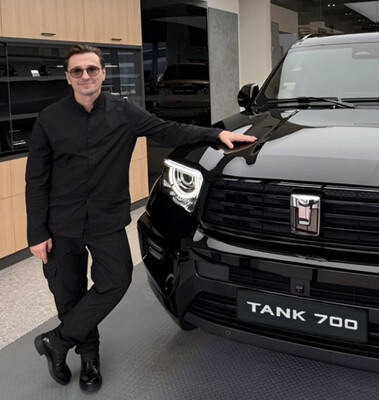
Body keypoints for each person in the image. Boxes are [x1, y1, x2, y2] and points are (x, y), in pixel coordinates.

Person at [26, 44, 256, 393]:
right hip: (61, 223)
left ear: (103, 73)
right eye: (77, 71)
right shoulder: (49, 119)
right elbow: (36, 180)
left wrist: (215, 134)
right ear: (68, 77)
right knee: (68, 293)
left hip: (106, 220)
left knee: (116, 280)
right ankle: (88, 358)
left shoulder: (124, 112)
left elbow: (169, 130)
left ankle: (56, 341)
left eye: (92, 69)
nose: (85, 76)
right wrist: (36, 232)